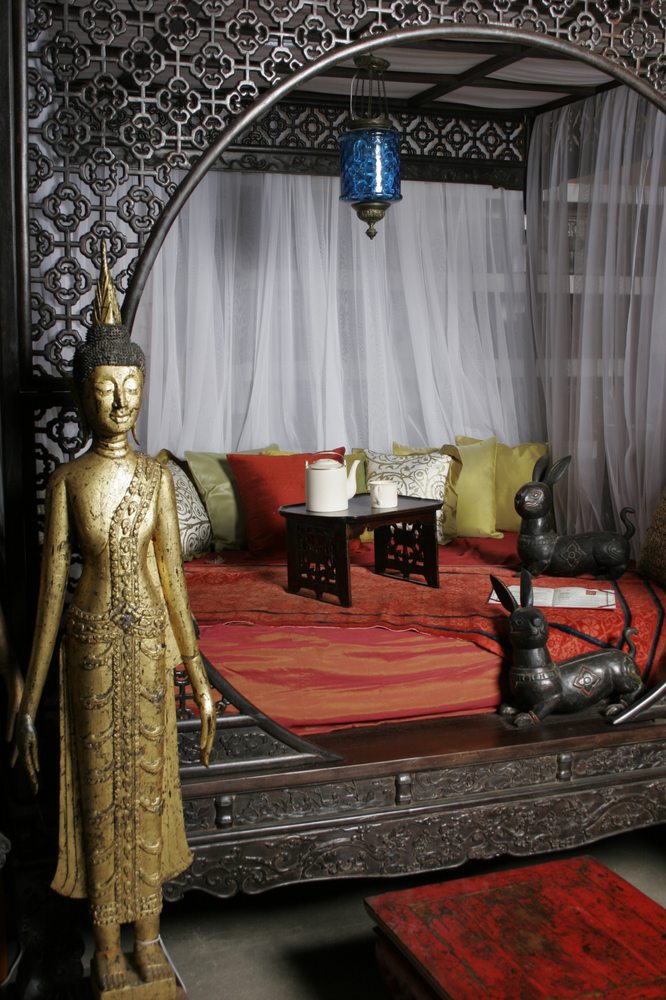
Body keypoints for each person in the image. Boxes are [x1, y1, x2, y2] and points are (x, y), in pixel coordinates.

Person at [14, 245, 215, 992]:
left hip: (149, 649)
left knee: (149, 790)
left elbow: (175, 585)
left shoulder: (156, 478)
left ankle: (150, 937)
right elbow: (48, 598)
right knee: (101, 794)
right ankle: (106, 945)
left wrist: (198, 678)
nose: (121, 401)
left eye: (132, 386)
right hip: (90, 647)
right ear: (83, 395)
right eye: (106, 387)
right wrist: (28, 704)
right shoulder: (69, 481)